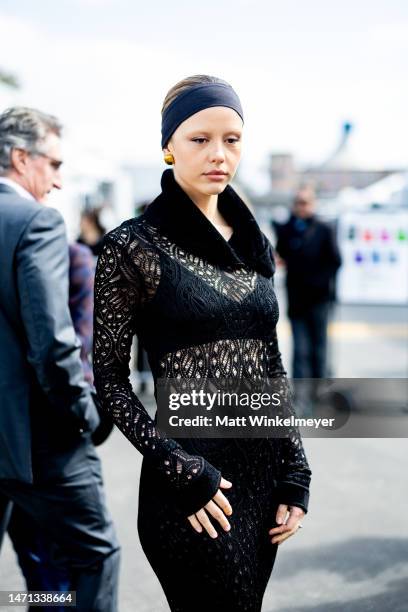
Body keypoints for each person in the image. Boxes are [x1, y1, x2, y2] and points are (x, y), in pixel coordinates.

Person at [93, 75, 312, 612]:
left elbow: (268, 361)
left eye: (232, 139)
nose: (219, 153)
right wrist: (179, 468)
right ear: (168, 146)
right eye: (199, 139)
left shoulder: (254, 238)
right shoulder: (131, 245)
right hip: (191, 488)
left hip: (262, 485)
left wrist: (296, 469)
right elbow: (110, 380)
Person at [0, 107, 120, 611]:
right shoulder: (37, 222)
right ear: (21, 158)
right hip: (41, 439)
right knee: (96, 557)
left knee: (40, 568)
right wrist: (86, 414)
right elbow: (53, 342)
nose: (57, 180)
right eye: (53, 164)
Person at [275, 186, 342, 382]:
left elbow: (335, 261)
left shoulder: (324, 228)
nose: (300, 207)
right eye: (297, 203)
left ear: (313, 204)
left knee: (318, 346)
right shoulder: (288, 228)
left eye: (304, 203)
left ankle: (319, 387)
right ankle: (300, 392)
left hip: (319, 298)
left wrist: (318, 281)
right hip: (296, 297)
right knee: (299, 347)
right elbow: (281, 254)